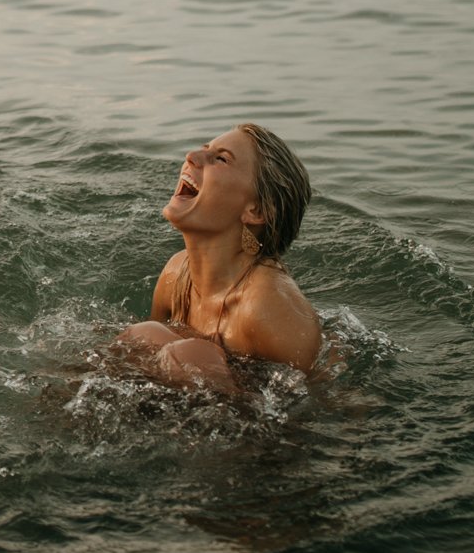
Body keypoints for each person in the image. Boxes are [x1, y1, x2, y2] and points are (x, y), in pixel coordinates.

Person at [111, 123, 321, 393]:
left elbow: (312, 404)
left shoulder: (269, 304)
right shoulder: (176, 272)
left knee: (190, 354)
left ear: (255, 210)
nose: (191, 156)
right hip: (183, 406)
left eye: (220, 159)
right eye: (204, 149)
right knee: (148, 334)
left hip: (250, 424)